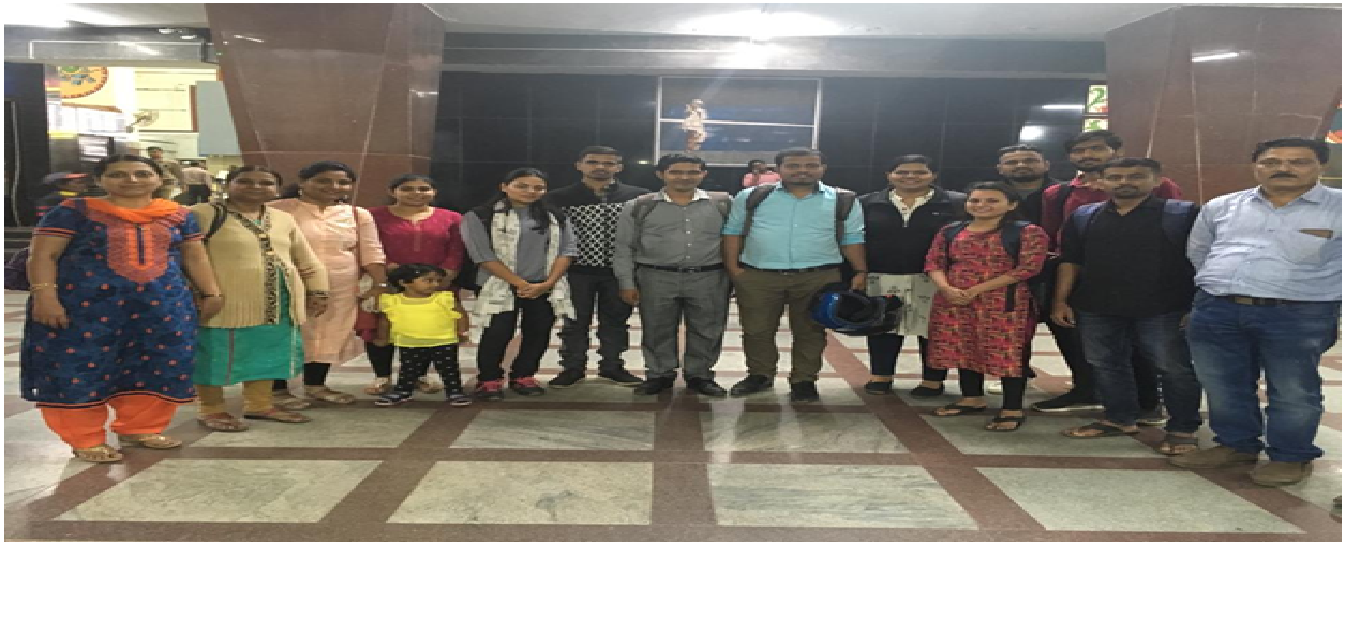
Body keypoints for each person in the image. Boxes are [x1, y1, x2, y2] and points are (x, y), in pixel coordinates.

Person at [22, 154, 223, 463]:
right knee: (79, 367)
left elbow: (194, 256)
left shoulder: (178, 215)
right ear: (99, 180)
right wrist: (45, 296)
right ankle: (85, 438)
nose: (131, 180)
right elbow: (43, 256)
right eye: (118, 174)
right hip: (83, 308)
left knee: (160, 363)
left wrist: (211, 292)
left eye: (142, 174)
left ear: (159, 179)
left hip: (163, 306)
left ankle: (141, 428)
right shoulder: (73, 212)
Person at [1171, 137, 1341, 486]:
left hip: (1298, 313)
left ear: (1320, 166)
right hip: (1217, 308)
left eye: (1298, 161)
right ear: (1256, 166)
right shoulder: (1223, 206)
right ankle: (1236, 444)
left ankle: (1291, 455)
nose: (1283, 168)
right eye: (1271, 161)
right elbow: (1199, 251)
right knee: (1222, 383)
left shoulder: (1343, 207)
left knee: (1293, 388)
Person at [1051, 158, 1204, 454]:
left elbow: (1202, 260)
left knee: (1172, 367)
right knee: (1105, 363)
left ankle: (1183, 428)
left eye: (1135, 176)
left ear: (1156, 180)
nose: (1124, 182)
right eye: (1115, 177)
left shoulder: (1182, 215)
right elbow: (1071, 261)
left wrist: (1195, 304)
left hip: (1162, 305)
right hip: (1096, 304)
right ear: (1102, 182)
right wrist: (1061, 300)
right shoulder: (1085, 216)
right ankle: (1119, 418)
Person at [1031, 130, 1180, 415]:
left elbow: (1171, 224)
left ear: (1115, 151)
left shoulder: (1158, 186)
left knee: (1142, 344)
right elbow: (1052, 234)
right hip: (1078, 272)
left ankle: (1148, 402)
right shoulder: (1058, 193)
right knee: (1077, 337)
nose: (1087, 155)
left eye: (1096, 149)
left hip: (1142, 276)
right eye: (1079, 151)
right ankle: (1087, 390)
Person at [722, 147, 869, 402]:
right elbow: (733, 232)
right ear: (778, 169)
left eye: (811, 166)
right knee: (756, 330)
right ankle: (760, 375)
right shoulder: (752, 196)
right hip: (759, 276)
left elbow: (852, 238)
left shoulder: (842, 200)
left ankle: (804, 380)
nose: (802, 171)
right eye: (793, 166)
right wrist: (734, 269)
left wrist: (860, 270)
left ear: (823, 169)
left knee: (811, 331)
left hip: (818, 276)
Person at [190, 166, 330, 430]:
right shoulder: (202, 214)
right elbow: (185, 257)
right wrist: (201, 293)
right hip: (223, 302)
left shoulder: (282, 218)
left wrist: (318, 290)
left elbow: (306, 259)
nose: (255, 187)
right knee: (214, 355)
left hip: (277, 302)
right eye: (245, 181)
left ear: (276, 189)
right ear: (228, 185)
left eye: (265, 183)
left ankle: (259, 405)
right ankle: (211, 409)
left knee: (267, 353)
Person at [924, 182, 1049, 431]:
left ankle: (1012, 408)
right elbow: (933, 262)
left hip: (1004, 304)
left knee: (1008, 354)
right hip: (954, 301)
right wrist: (946, 288)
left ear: (1011, 205)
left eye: (992, 201)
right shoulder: (951, 230)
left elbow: (1028, 268)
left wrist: (976, 290)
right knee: (963, 346)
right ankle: (971, 398)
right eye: (975, 200)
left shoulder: (1028, 232)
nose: (981, 205)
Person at [269, 161, 388, 406]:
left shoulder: (357, 214)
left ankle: (316, 385)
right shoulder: (277, 209)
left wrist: (380, 285)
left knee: (329, 332)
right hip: (287, 281)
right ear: (303, 182)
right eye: (323, 180)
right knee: (284, 331)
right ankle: (276, 389)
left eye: (343, 182)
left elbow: (372, 252)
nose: (334, 186)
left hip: (340, 284)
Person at [614, 154, 730, 397]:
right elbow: (624, 247)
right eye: (676, 172)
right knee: (656, 328)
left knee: (707, 329)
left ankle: (700, 375)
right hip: (655, 276)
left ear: (703, 174)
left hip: (708, 276)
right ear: (661, 174)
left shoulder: (722, 203)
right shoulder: (640, 206)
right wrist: (626, 282)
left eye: (693, 172)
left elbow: (736, 240)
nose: (684, 177)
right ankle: (659, 374)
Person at [461, 168, 578, 400]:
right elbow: (482, 255)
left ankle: (524, 375)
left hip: (543, 286)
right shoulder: (480, 216)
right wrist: (519, 283)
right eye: (522, 186)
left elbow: (567, 250)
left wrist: (548, 283)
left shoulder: (555, 216)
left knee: (538, 333)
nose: (531, 191)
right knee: (497, 333)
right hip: (498, 285)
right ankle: (489, 379)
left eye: (538, 187)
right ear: (504, 187)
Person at [858, 155, 964, 396]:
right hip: (882, 274)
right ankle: (881, 375)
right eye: (902, 172)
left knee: (935, 329)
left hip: (936, 277)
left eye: (920, 172)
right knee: (883, 326)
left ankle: (933, 380)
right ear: (889, 175)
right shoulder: (867, 203)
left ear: (934, 175)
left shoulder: (956, 203)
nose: (911, 177)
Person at [545, 147, 648, 388]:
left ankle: (612, 366)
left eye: (608, 163)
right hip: (575, 272)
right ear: (579, 165)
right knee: (574, 321)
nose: (600, 167)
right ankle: (572, 368)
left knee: (616, 321)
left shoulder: (638, 197)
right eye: (593, 162)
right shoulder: (558, 198)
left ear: (619, 167)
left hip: (619, 272)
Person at [361, 174, 465, 397]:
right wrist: (389, 269)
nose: (416, 193)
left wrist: (444, 276)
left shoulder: (452, 218)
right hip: (387, 281)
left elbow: (456, 249)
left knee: (425, 328)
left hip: (435, 284)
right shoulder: (372, 215)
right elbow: (367, 245)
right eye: (407, 188)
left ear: (434, 192)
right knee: (381, 328)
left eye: (424, 188)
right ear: (392, 191)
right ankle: (382, 376)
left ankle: (419, 376)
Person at [373, 264, 471, 407]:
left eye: (438, 281)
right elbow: (385, 321)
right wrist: (383, 338)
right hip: (409, 342)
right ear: (404, 282)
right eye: (428, 280)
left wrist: (462, 332)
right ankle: (403, 391)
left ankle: (454, 391)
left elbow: (461, 315)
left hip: (443, 341)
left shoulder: (444, 298)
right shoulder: (392, 301)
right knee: (408, 369)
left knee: (449, 368)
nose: (435, 284)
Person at [995, 144, 1056, 225]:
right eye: (1011, 162)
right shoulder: (987, 194)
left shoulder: (1066, 192)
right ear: (1000, 169)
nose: (1021, 165)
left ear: (1046, 165)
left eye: (1030, 161)